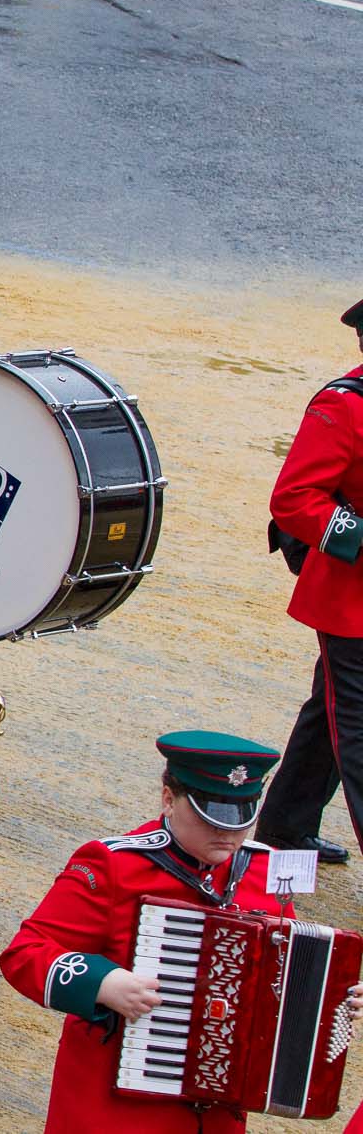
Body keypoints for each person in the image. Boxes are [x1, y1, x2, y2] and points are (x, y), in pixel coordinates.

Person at [0, 732, 363, 1133]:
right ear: (169, 798)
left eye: (241, 819)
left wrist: (329, 994)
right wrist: (102, 982)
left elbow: (284, 976)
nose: (227, 834)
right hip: (113, 1105)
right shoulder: (112, 864)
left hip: (219, 1111)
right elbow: (25, 952)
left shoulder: (266, 869)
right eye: (209, 818)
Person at [254, 298, 363, 868]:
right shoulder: (343, 407)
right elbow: (294, 499)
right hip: (353, 600)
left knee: (334, 712)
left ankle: (284, 827)